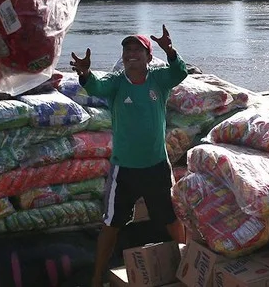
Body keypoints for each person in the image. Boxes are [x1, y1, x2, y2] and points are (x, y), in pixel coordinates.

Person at [70, 25, 188, 287]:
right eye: (127, 49)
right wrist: (85, 73)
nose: (131, 53)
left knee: (171, 219)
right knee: (111, 224)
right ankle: (97, 277)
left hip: (157, 166)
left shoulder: (159, 80)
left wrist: (170, 50)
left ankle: (186, 268)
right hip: (124, 170)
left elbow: (180, 72)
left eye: (138, 49)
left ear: (148, 57)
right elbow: (95, 87)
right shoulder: (116, 83)